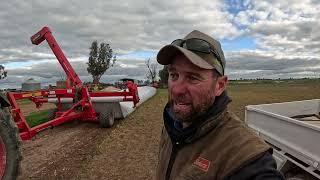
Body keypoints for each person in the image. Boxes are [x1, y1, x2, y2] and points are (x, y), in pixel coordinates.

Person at [155, 30, 284, 180]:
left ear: (220, 85)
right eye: (174, 75)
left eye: (192, 77)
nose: (176, 89)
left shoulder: (245, 155)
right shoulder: (172, 125)